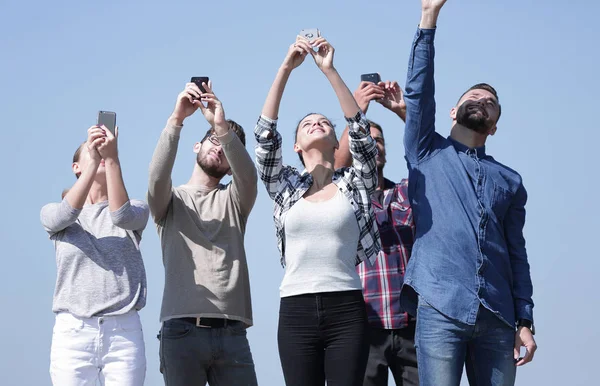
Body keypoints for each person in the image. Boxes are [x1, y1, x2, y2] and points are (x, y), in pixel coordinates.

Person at [399, 1, 538, 385]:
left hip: (498, 315)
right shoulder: (426, 150)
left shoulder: (509, 180)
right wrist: (428, 18)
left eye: (491, 103)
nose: (482, 101)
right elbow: (417, 92)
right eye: (473, 98)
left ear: (494, 126)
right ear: (452, 111)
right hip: (440, 304)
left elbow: (517, 253)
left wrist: (524, 318)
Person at [254, 35, 380, 386]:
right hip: (295, 310)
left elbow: (361, 137)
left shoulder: (355, 184)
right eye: (307, 122)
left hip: (347, 309)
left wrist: (330, 71)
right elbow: (265, 137)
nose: (316, 122)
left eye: (324, 121)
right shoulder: (285, 187)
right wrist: (285, 69)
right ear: (295, 145)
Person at [148, 80, 258, 385]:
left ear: (230, 165)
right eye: (212, 139)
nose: (219, 147)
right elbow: (157, 178)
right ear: (197, 146)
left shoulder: (234, 200)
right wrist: (177, 120)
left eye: (225, 146)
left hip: (232, 332)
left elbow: (248, 177)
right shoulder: (170, 201)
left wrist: (220, 126)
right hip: (180, 331)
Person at [40, 125, 149, 386]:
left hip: (123, 331)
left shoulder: (136, 208)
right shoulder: (53, 213)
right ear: (76, 166)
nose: (98, 151)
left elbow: (121, 217)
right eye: (90, 150)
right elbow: (66, 214)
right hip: (73, 332)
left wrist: (111, 157)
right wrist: (95, 162)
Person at [335, 80, 418, 386]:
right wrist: (357, 111)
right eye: (367, 140)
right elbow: (335, 163)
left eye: (380, 141)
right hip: (364, 326)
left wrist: (403, 112)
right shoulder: (342, 198)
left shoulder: (407, 192)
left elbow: (432, 160)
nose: (373, 145)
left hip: (412, 324)